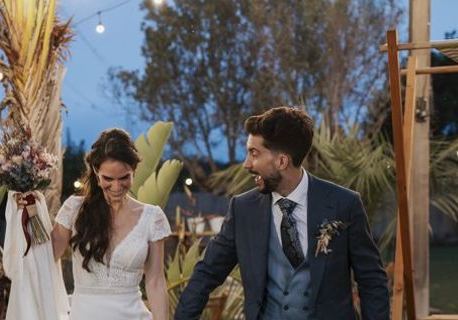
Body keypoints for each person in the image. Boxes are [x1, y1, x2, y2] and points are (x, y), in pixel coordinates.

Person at [175, 107, 389, 320]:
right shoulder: (243, 209)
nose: (246, 164)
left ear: (282, 161)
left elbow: (371, 279)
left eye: (254, 153)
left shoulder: (344, 204)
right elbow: (207, 274)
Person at [52, 128, 171, 319]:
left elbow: (156, 282)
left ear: (134, 172)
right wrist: (29, 210)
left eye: (124, 177)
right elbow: (45, 256)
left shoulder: (152, 218)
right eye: (108, 178)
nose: (116, 187)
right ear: (96, 173)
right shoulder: (74, 210)